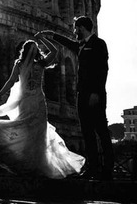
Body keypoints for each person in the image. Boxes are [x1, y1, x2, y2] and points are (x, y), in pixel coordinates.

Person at [0, 35, 85, 179]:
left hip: (29, 100)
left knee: (33, 131)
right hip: (35, 100)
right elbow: (54, 51)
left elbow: (11, 81)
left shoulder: (22, 64)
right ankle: (33, 166)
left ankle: (30, 166)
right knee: (35, 132)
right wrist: (42, 38)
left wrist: (0, 94)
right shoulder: (39, 64)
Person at [38, 16, 113, 180]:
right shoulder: (80, 45)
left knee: (101, 130)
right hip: (83, 93)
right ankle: (93, 168)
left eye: (76, 28)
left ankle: (108, 169)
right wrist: (52, 34)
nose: (74, 31)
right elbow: (68, 43)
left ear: (82, 28)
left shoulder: (99, 44)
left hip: (95, 94)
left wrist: (96, 92)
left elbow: (102, 69)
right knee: (86, 131)